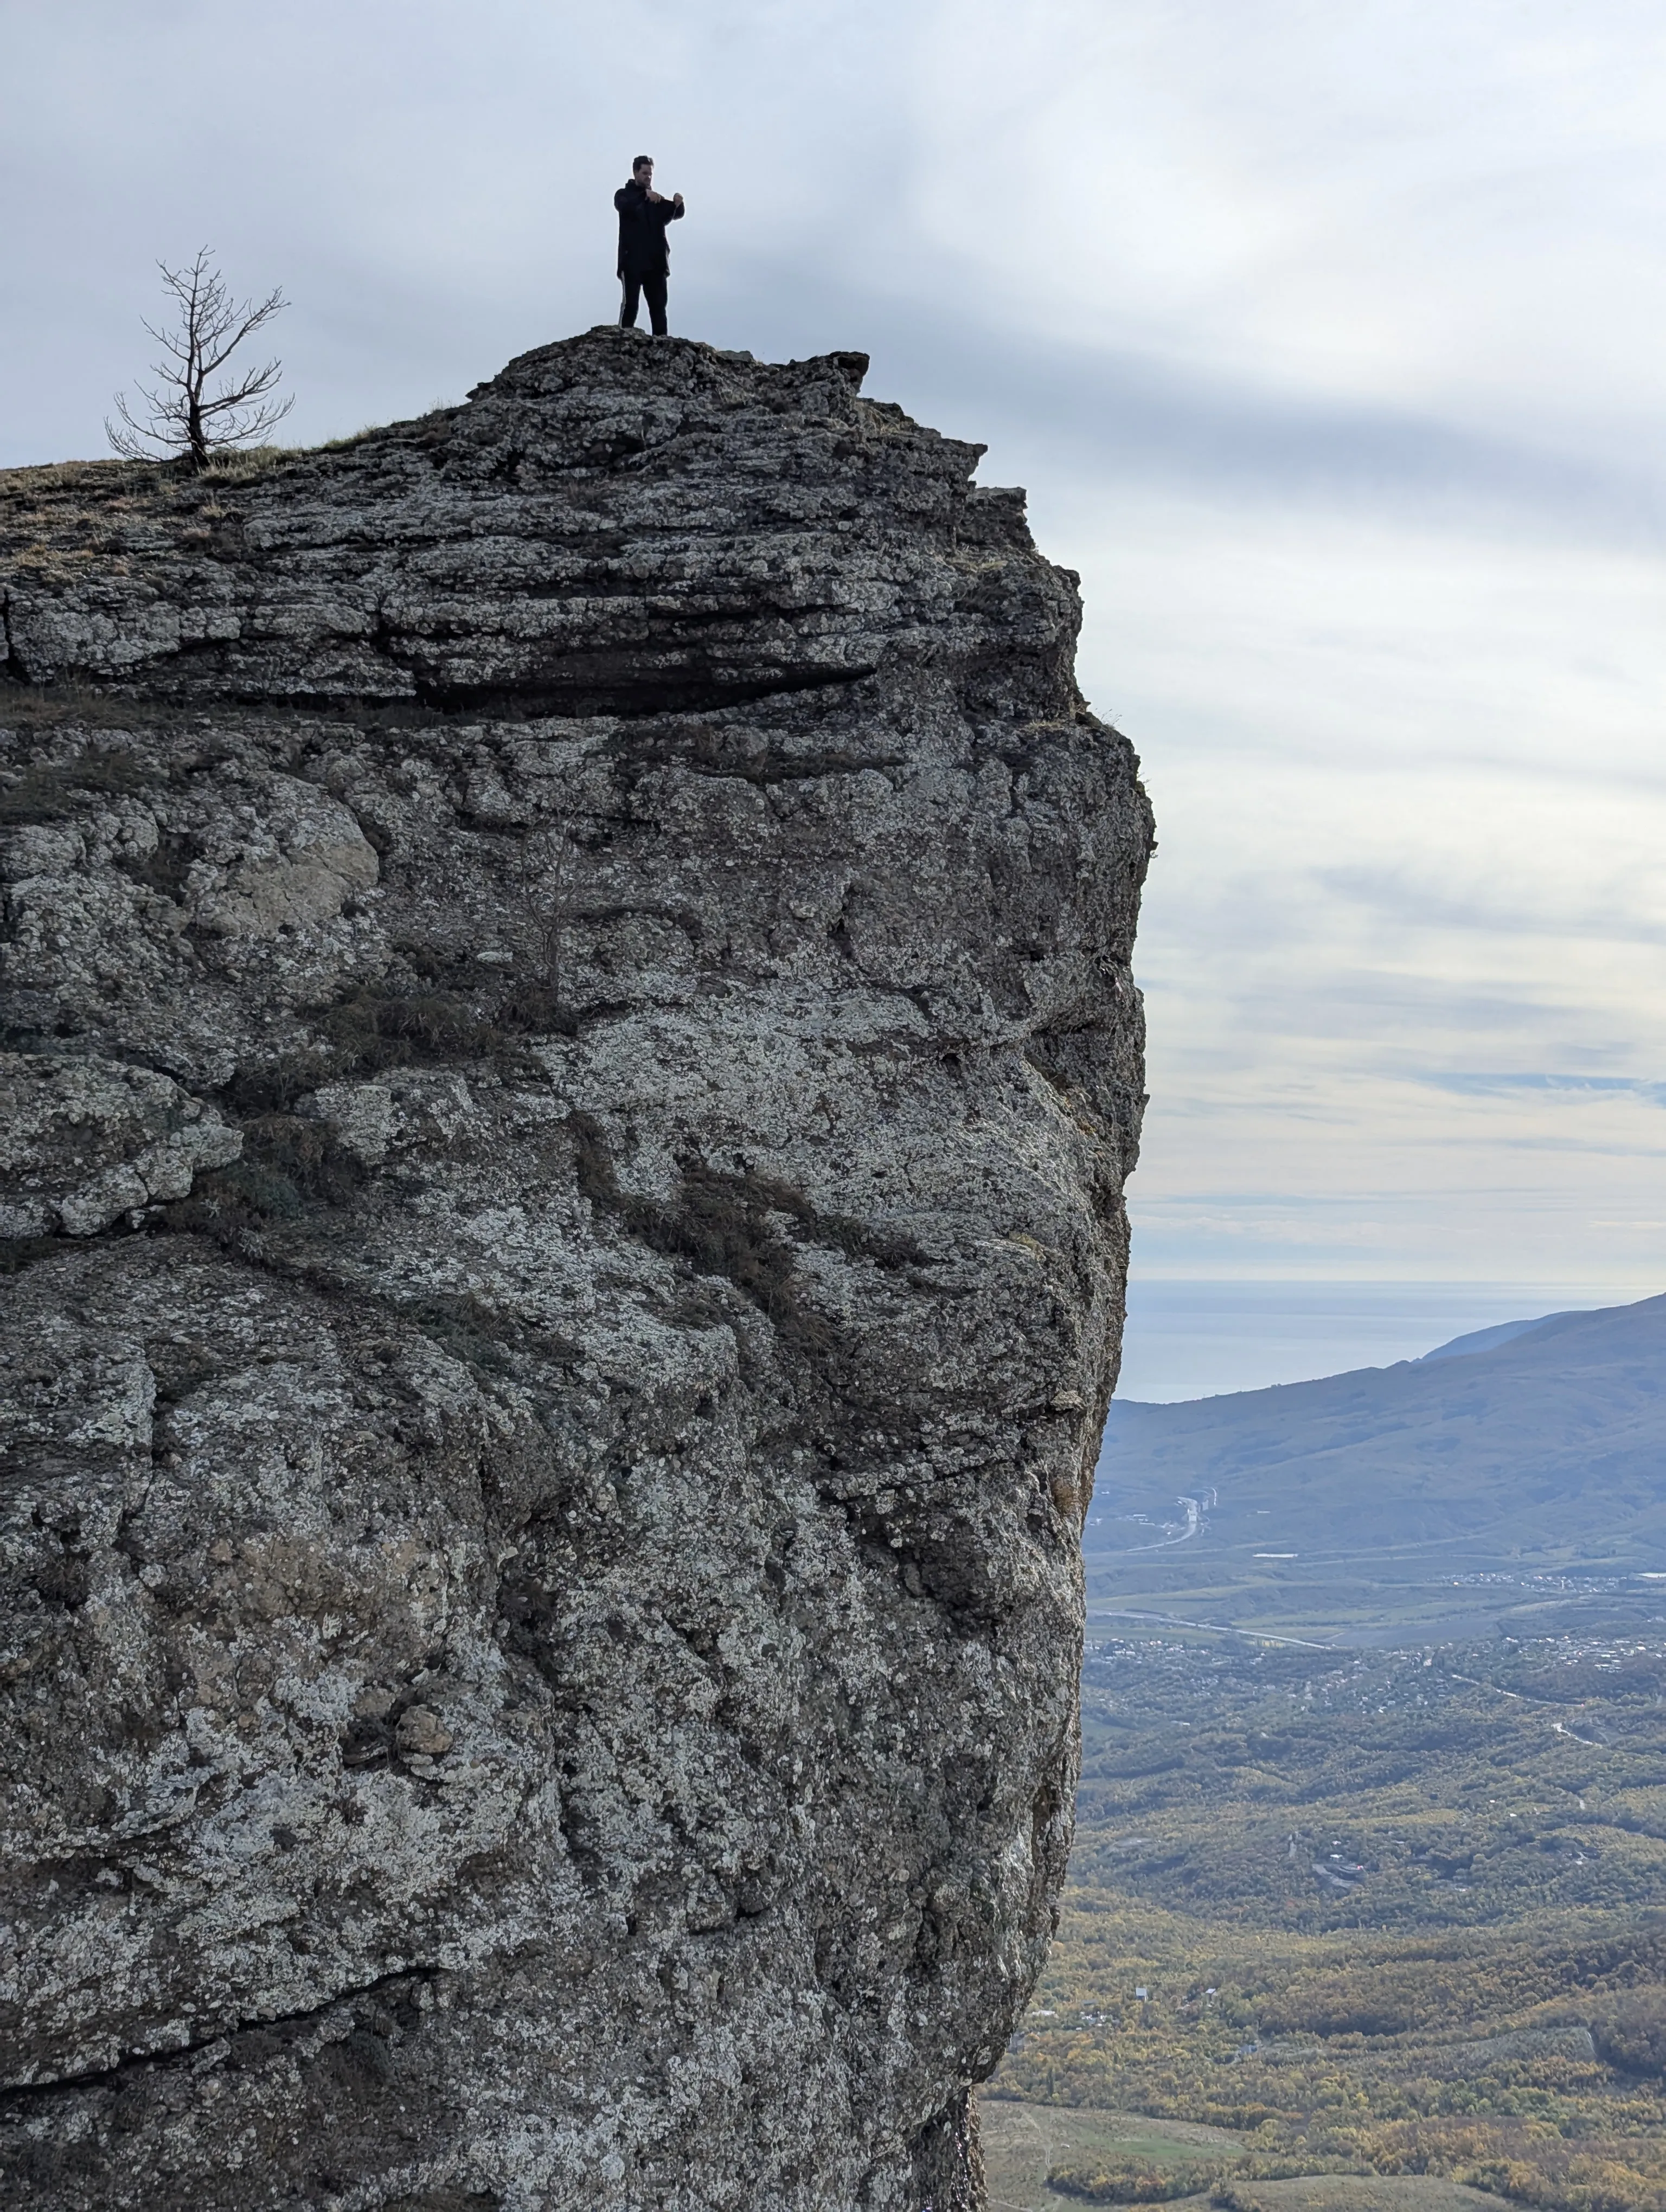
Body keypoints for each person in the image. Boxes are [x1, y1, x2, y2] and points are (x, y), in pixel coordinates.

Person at [614, 156, 684, 337]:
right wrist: (644, 197)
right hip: (632, 260)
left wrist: (678, 204)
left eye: (650, 174)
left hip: (656, 261)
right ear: (635, 173)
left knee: (659, 307)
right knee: (631, 305)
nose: (648, 177)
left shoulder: (656, 200)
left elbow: (673, 214)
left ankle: (662, 344)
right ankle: (622, 342)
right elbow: (625, 206)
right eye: (645, 173)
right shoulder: (624, 194)